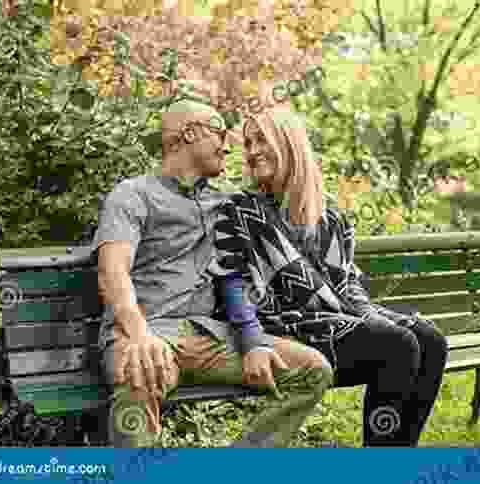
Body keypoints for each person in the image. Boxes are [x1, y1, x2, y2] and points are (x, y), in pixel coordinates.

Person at [92, 99, 333, 448]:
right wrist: (141, 334)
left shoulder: (227, 205)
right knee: (138, 374)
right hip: (144, 331)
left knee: (312, 370)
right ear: (189, 134)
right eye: (219, 133)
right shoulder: (133, 196)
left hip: (209, 336)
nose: (228, 145)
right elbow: (112, 273)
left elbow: (287, 202)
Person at [210, 107, 449, 446]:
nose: (251, 151)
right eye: (247, 143)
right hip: (282, 326)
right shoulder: (239, 210)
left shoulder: (329, 214)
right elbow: (231, 283)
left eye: (261, 139)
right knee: (397, 344)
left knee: (431, 339)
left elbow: (348, 280)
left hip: (335, 319)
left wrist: (367, 315)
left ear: (288, 143)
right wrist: (251, 342)